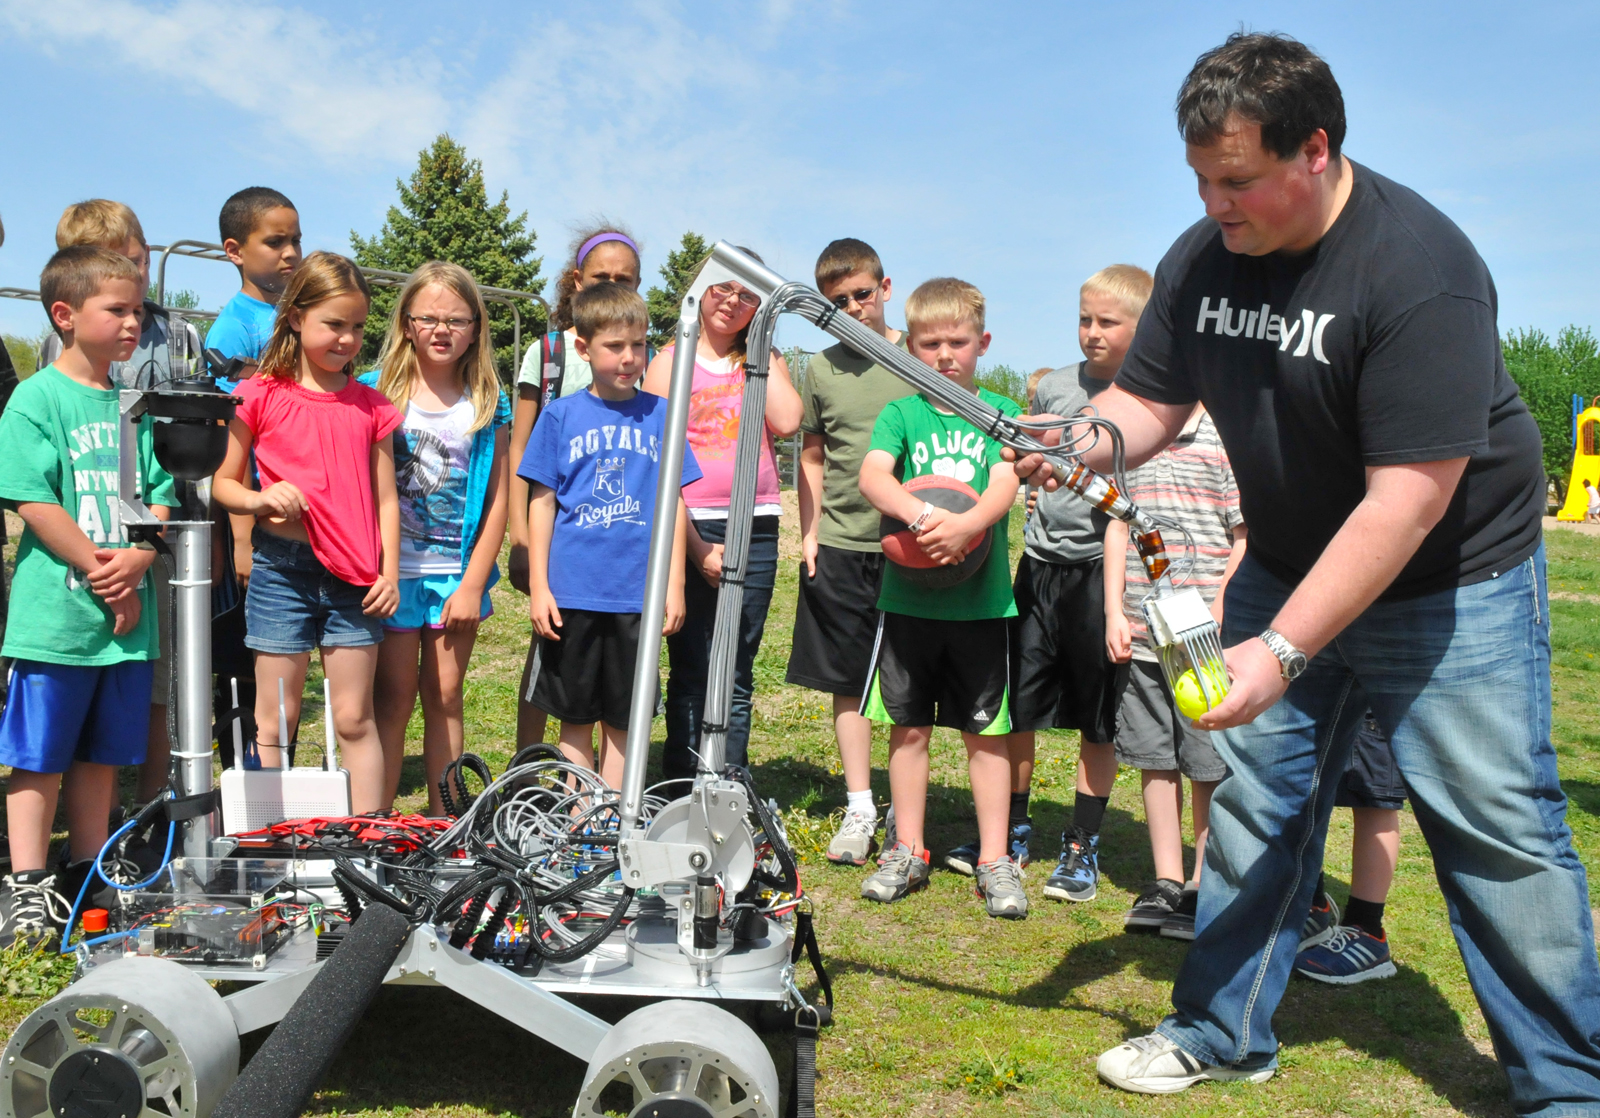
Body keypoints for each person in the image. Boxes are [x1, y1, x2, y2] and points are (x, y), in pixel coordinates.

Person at [1008, 34, 1600, 1107]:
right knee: (1254, 804)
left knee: (1497, 829)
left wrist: (1282, 649)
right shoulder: (1201, 257)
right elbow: (1147, 401)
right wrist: (1081, 441)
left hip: (1447, 576)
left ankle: (1566, 1083)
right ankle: (1220, 1028)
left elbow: (1407, 499)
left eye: (1233, 178)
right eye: (1197, 177)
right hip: (1285, 556)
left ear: (1315, 149)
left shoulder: (1420, 270)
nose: (1211, 201)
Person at [0, 247, 179, 939]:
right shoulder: (36, 397)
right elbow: (29, 497)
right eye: (118, 310)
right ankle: (26, 884)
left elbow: (161, 498)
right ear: (65, 315)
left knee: (103, 754)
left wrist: (135, 560)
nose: (134, 322)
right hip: (58, 620)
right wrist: (100, 571)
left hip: (125, 624)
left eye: (138, 310)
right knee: (40, 755)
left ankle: (85, 869)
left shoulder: (138, 406)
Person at [856, 277, 1026, 919]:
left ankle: (994, 859)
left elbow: (1007, 479)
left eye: (958, 342)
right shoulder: (902, 413)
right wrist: (928, 519)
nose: (944, 354)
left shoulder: (1001, 412)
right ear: (910, 347)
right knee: (908, 729)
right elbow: (874, 475)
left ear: (982, 343)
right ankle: (908, 849)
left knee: (987, 733)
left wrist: (972, 524)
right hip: (909, 605)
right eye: (929, 343)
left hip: (982, 605)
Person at [211, 252, 402, 814]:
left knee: (353, 717)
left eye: (357, 326)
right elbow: (223, 484)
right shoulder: (260, 394)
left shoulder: (372, 405)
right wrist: (259, 498)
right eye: (333, 324)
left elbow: (386, 497)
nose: (347, 338)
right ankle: (268, 841)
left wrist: (388, 572)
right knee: (274, 718)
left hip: (356, 582)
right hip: (280, 575)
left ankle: (369, 844)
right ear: (295, 318)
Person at [982, 266, 1145, 899]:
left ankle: (1081, 846)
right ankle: (1015, 829)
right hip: (1040, 569)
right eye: (1085, 319)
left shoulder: (1147, 397)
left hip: (1103, 578)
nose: (1093, 333)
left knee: (1095, 717)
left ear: (1142, 327)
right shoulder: (1053, 386)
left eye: (1108, 322)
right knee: (1020, 703)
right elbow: (1025, 462)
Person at [39, 199, 205, 807]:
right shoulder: (52, 370)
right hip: (79, 553)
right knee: (83, 685)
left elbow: (187, 433)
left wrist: (146, 542)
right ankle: (94, 819)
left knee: (156, 681)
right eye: (114, 274)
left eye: (136, 261)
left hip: (154, 538)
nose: (130, 310)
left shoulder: (179, 335)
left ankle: (150, 803)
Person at [519, 283, 700, 786]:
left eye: (638, 345)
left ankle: (611, 818)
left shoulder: (664, 416)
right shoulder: (560, 415)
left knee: (624, 716)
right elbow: (542, 501)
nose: (628, 357)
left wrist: (675, 585)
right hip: (573, 593)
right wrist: (540, 585)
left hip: (635, 596)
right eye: (614, 346)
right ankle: (579, 814)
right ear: (584, 348)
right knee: (574, 717)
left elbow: (676, 503)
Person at [643, 250, 803, 782]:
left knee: (736, 670)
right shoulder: (671, 360)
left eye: (748, 295)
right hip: (691, 521)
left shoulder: (759, 357)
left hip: (753, 524)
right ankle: (679, 786)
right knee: (691, 665)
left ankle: (728, 784)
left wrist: (762, 348)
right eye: (723, 288)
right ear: (702, 289)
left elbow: (787, 418)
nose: (732, 302)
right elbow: (659, 460)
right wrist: (693, 546)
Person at [364, 263, 510, 814]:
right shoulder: (375, 392)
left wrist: (473, 583)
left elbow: (499, 499)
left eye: (456, 319)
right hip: (392, 576)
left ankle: (448, 818)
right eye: (428, 318)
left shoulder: (487, 398)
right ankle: (374, 820)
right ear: (406, 323)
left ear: (476, 327)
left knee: (446, 695)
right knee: (393, 699)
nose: (441, 330)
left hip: (454, 574)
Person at [785, 238, 912, 865]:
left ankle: (908, 816)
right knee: (849, 683)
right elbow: (810, 452)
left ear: (886, 289)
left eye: (863, 294)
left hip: (916, 546)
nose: (855, 308)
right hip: (841, 543)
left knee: (910, 683)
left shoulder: (924, 355)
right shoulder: (821, 368)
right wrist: (809, 532)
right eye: (839, 301)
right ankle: (861, 804)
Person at [1103, 403, 1245, 938]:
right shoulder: (1132, 442)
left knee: (1207, 763)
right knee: (1153, 757)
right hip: (1143, 634)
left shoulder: (1223, 437)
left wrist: (1222, 605)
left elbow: (1243, 536)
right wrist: (1114, 610)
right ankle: (1166, 880)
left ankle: (1201, 886)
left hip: (1202, 643)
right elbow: (1118, 529)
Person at [509, 226, 644, 753]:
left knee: (597, 674)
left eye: (622, 278)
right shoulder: (548, 353)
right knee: (548, 658)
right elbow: (520, 450)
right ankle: (528, 765)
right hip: (559, 533)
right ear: (576, 281)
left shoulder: (638, 353)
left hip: (616, 547)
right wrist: (520, 538)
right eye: (600, 277)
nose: (609, 284)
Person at [206, 187, 303, 766]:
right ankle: (245, 787)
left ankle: (281, 778)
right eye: (276, 241)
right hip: (251, 519)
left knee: (284, 655)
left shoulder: (293, 317)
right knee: (243, 661)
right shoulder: (232, 331)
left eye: (296, 239)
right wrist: (241, 535)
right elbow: (230, 445)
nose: (290, 252)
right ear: (235, 251)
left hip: (295, 518)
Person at [1291, 713, 1403, 983]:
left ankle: (1366, 931)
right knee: (1308, 785)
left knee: (1373, 797)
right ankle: (1310, 907)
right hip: (1321, 678)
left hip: (1377, 683)